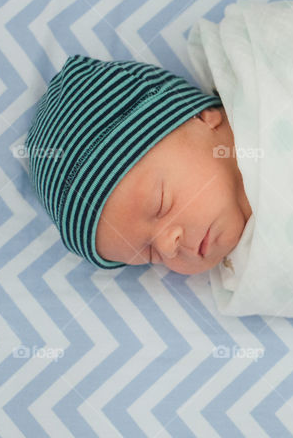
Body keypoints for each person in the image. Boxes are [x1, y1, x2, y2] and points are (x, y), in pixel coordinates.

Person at [24, 54, 252, 274]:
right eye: (150, 254)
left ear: (202, 118)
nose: (167, 246)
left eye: (161, 204)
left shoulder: (262, 85)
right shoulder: (247, 275)